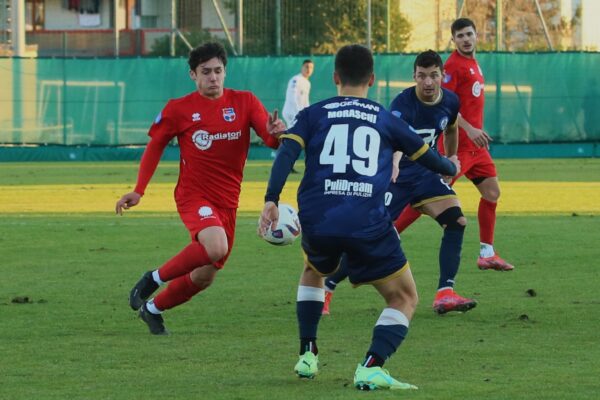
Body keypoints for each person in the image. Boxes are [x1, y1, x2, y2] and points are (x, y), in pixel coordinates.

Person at [258, 44, 458, 390]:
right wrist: (449, 166)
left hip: (319, 219)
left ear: (335, 77)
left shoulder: (314, 114)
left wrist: (271, 199)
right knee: (404, 297)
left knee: (313, 269)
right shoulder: (384, 117)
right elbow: (425, 155)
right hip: (368, 221)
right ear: (373, 79)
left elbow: (287, 153)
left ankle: (307, 353)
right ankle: (371, 365)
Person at [115, 42, 285, 335]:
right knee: (216, 245)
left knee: (205, 276)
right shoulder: (178, 109)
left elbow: (271, 140)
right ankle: (152, 278)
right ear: (193, 75)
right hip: (194, 196)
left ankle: (152, 309)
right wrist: (139, 190)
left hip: (228, 201)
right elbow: (155, 146)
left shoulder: (244, 102)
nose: (213, 78)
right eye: (206, 72)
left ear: (225, 72)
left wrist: (277, 133)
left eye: (218, 71)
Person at [323, 50, 476, 316]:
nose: (428, 82)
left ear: (442, 76)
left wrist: (450, 157)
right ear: (414, 76)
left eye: (434, 76)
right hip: (396, 177)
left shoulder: (450, 101)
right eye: (422, 76)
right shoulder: (403, 104)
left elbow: (451, 128)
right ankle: (327, 284)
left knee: (457, 221)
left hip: (427, 176)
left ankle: (445, 293)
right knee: (369, 239)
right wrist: (393, 163)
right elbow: (395, 139)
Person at [394, 17, 514, 271]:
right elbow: (444, 105)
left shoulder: (473, 63)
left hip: (476, 148)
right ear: (454, 40)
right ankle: (389, 233)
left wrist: (476, 134)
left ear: (476, 35)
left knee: (492, 193)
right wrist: (470, 129)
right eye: (460, 36)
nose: (466, 39)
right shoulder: (452, 66)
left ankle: (487, 252)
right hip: (459, 147)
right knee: (428, 196)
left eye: (469, 34)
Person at [277, 59, 314, 172]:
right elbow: (292, 98)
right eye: (306, 67)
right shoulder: (296, 80)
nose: (308, 69)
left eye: (311, 68)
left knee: (297, 139)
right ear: (302, 67)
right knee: (297, 138)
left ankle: (286, 163)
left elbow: (305, 101)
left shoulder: (307, 83)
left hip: (299, 114)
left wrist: (308, 113)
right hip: (292, 113)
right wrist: (300, 113)